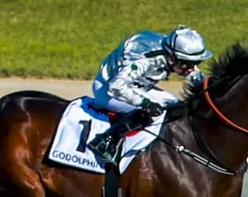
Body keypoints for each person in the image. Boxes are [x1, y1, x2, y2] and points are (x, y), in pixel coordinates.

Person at [86, 26, 213, 164]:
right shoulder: (145, 59)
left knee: (176, 106)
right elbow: (117, 86)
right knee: (152, 112)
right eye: (187, 64)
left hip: (138, 86)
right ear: (171, 57)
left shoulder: (172, 54)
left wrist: (208, 88)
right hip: (108, 89)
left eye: (195, 63)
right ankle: (106, 140)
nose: (190, 69)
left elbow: (194, 75)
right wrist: (145, 103)